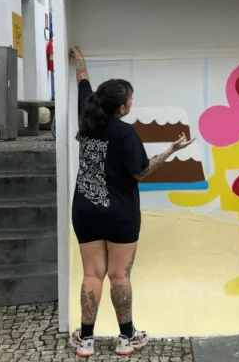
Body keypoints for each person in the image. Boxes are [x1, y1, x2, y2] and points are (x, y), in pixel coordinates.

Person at [67, 46, 194, 358]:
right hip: (120, 213)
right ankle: (127, 338)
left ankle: (85, 341)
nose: (132, 103)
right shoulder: (125, 133)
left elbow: (83, 82)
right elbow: (141, 172)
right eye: (130, 100)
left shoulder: (87, 114)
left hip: (85, 209)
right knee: (119, 275)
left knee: (92, 274)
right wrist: (171, 150)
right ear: (121, 109)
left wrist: (79, 58)